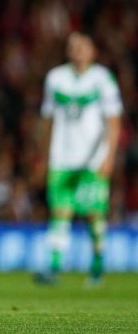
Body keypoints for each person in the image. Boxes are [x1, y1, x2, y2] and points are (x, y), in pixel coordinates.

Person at [35, 32, 122, 285]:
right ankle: (54, 267)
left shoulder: (103, 79)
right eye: (73, 46)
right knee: (60, 211)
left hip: (92, 159)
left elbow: (114, 122)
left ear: (93, 50)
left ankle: (97, 264)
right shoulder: (55, 78)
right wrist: (43, 154)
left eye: (83, 46)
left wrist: (110, 157)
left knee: (94, 213)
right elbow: (47, 119)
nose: (77, 50)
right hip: (61, 158)